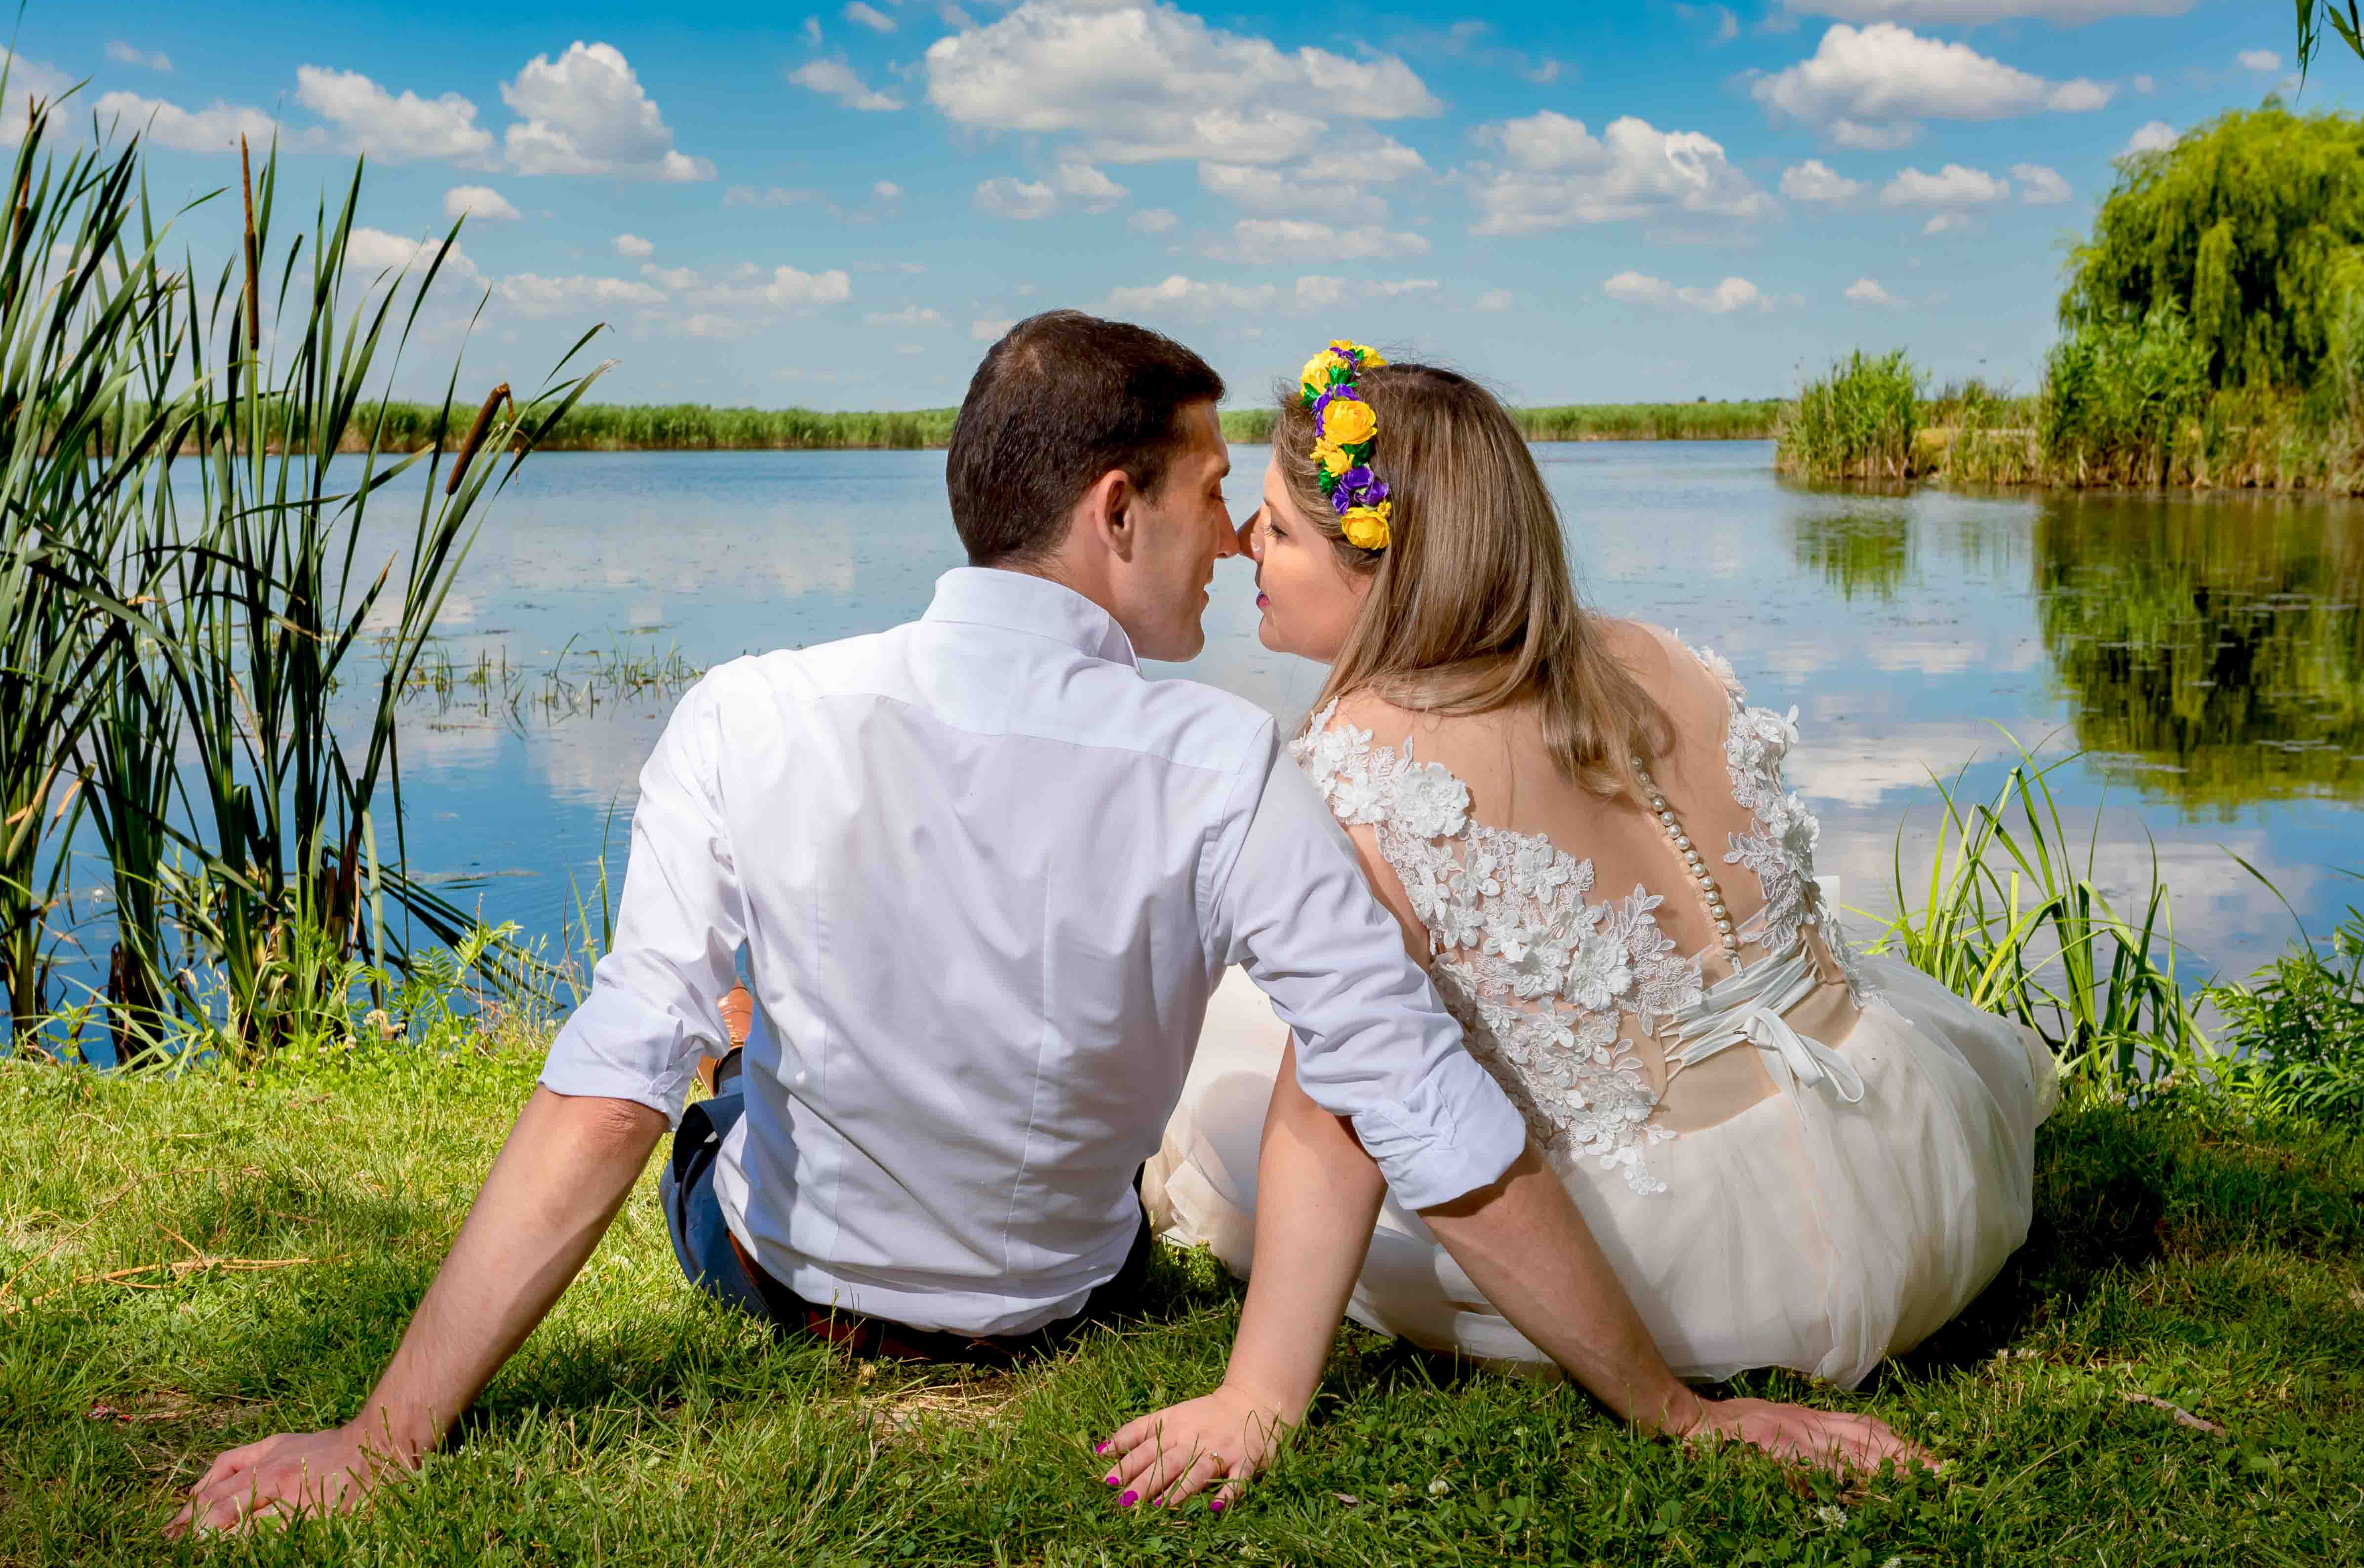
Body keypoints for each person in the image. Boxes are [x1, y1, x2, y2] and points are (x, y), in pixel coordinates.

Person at [170, 314, 1926, 1537]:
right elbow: (1423, 1110)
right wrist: (1675, 1413)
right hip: (1065, 1297)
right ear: (1117, 513)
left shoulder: (747, 709)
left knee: (695, 1065)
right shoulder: (1233, 769)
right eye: (1212, 492)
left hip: (780, 1276)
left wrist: (385, 1431)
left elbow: (606, 1089)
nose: (1233, 534)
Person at [1117, 343, 2054, 1489]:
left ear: (1385, 567)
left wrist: (1256, 1392)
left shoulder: (1368, 764)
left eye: (1276, 529)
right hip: (1915, 1166)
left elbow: (1351, 1109)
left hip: (1698, 1267)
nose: (1238, 546)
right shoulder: (1653, 655)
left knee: (1232, 1082)